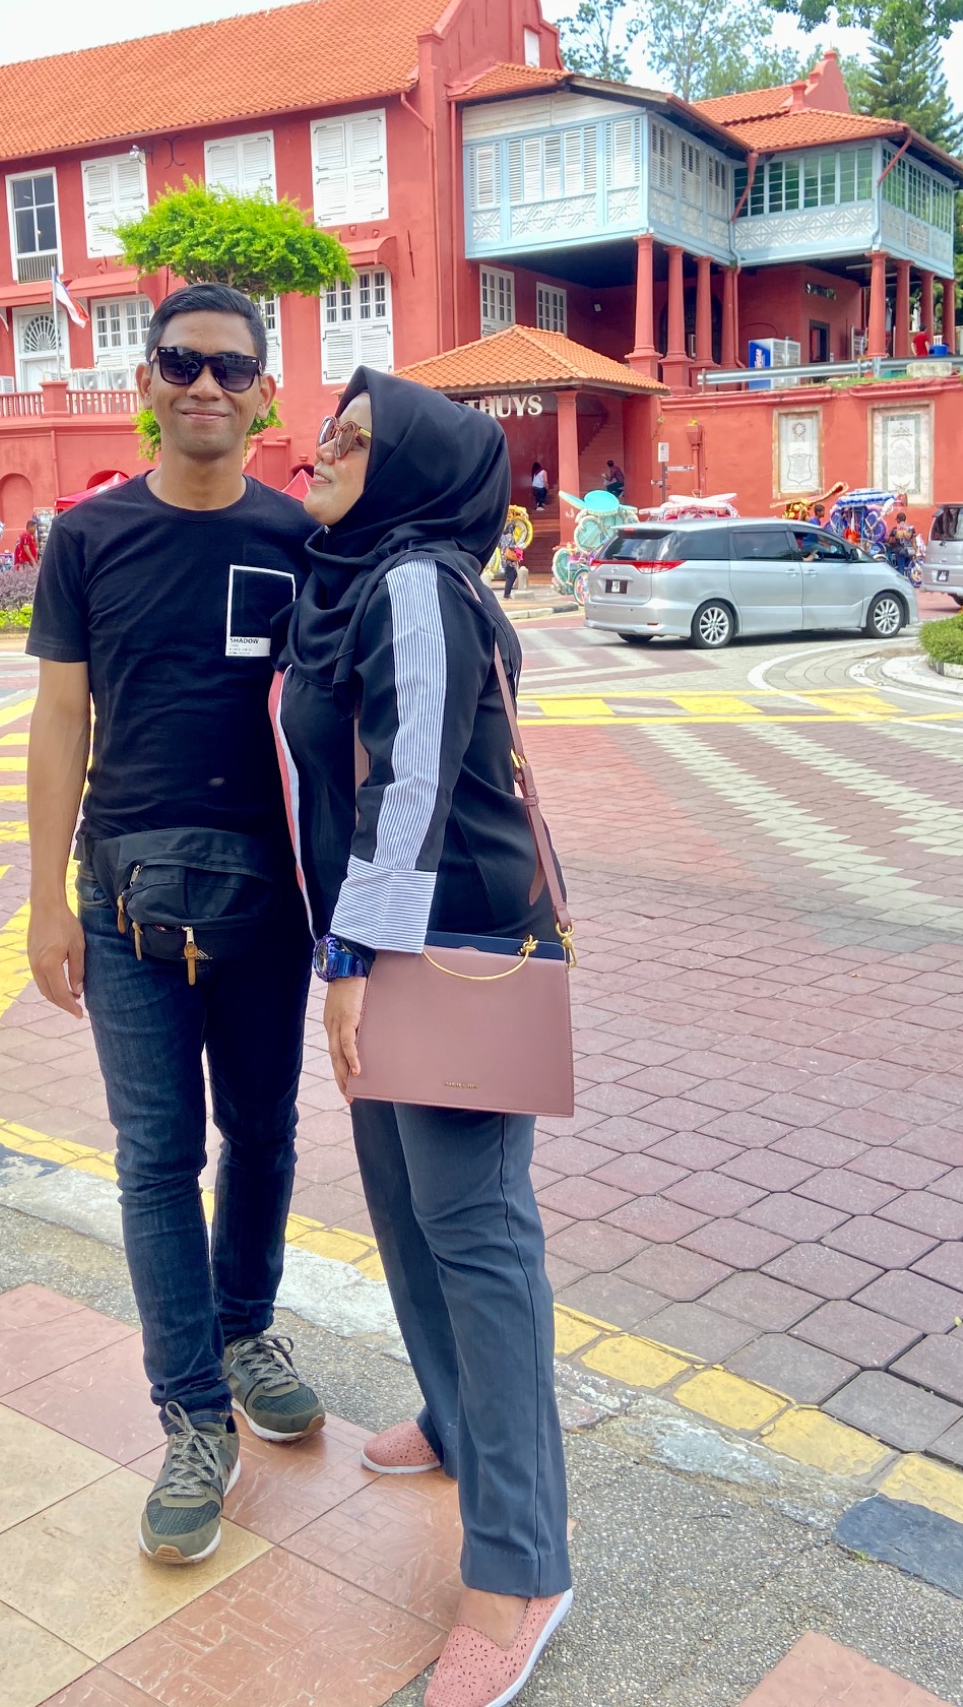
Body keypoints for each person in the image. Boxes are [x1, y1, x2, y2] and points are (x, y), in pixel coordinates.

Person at [278, 369, 571, 1707]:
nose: (323, 451)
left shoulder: (411, 580)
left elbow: (411, 783)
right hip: (381, 943)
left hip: (442, 949)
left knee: (476, 1237)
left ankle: (521, 1569)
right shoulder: (345, 580)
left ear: (411, 472)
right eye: (327, 432)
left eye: (353, 440)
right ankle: (457, 1426)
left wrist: (351, 957)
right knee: (407, 1214)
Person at [25, 281, 323, 1571]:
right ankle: (192, 1412)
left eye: (231, 368)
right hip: (123, 894)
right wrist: (43, 898)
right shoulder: (88, 537)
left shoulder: (301, 536)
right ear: (146, 380)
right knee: (156, 1159)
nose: (205, 385)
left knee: (263, 1129)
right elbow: (59, 721)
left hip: (273, 894)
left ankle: (246, 1327)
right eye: (181, 362)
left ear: (263, 394)